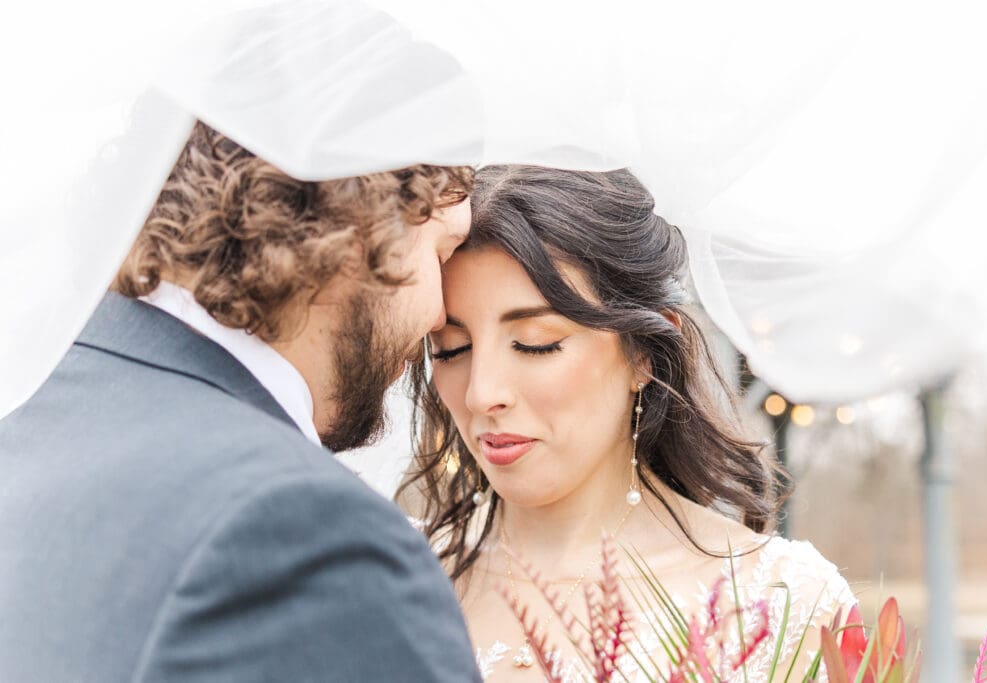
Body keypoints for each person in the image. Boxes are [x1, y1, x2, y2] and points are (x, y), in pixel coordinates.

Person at [0, 122, 482, 681]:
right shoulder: (306, 533)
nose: (440, 317)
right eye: (442, 254)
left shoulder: (27, 413)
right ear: (363, 225)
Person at [400, 165, 856, 681]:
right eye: (451, 349)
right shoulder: (386, 582)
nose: (483, 393)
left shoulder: (780, 603)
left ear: (643, 352)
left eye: (535, 343)